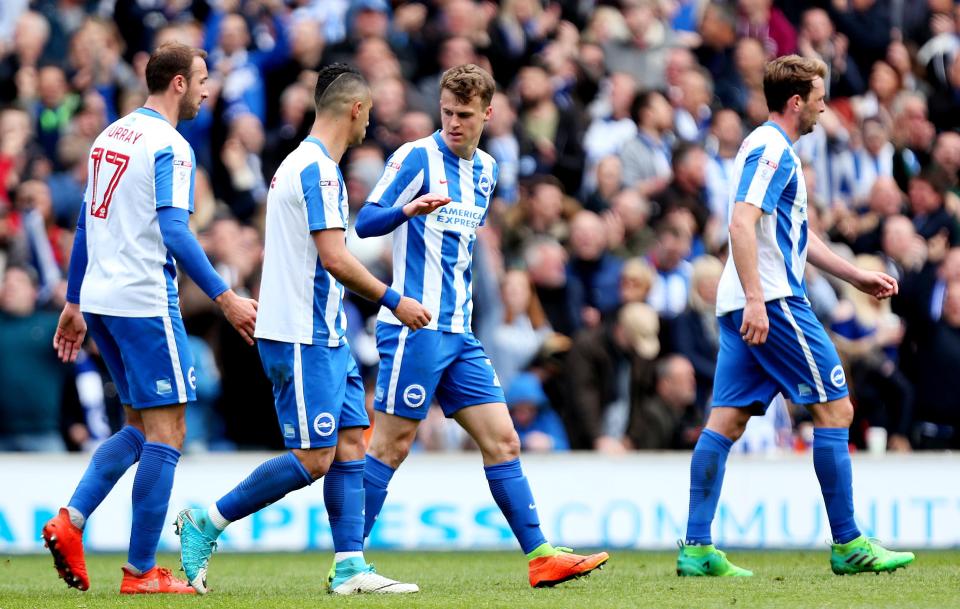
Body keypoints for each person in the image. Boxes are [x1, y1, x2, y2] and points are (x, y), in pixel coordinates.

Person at [174, 64, 429, 595]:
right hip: (299, 333)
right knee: (315, 457)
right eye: (370, 113)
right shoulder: (317, 170)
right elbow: (334, 258)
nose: (369, 125)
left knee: (352, 444)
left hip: (326, 331)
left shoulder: (302, 165)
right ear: (356, 109)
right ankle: (208, 521)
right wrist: (394, 299)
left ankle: (350, 567)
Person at [353, 63, 608, 588]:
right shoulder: (415, 157)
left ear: (487, 114)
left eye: (464, 114)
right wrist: (409, 209)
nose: (453, 122)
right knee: (391, 447)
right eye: (446, 112)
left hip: (459, 333)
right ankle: (348, 562)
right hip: (414, 326)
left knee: (504, 441)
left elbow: (462, 253)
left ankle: (540, 556)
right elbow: (365, 221)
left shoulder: (488, 170)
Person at [677, 55, 915, 577]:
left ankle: (696, 547)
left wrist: (855, 276)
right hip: (773, 303)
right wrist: (761, 300)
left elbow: (795, 239)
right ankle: (849, 544)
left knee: (726, 420)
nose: (825, 106)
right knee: (837, 410)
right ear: (796, 101)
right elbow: (741, 225)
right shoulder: (770, 149)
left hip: (743, 300)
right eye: (819, 96)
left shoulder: (768, 147)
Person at [42, 43, 258, 594]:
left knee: (138, 428)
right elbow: (175, 230)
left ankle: (71, 520)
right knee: (169, 432)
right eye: (204, 79)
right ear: (179, 83)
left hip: (100, 300)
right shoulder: (172, 145)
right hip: (142, 300)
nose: (209, 90)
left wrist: (72, 302)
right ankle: (140, 572)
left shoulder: (109, 136)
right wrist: (225, 295)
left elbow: (88, 225)